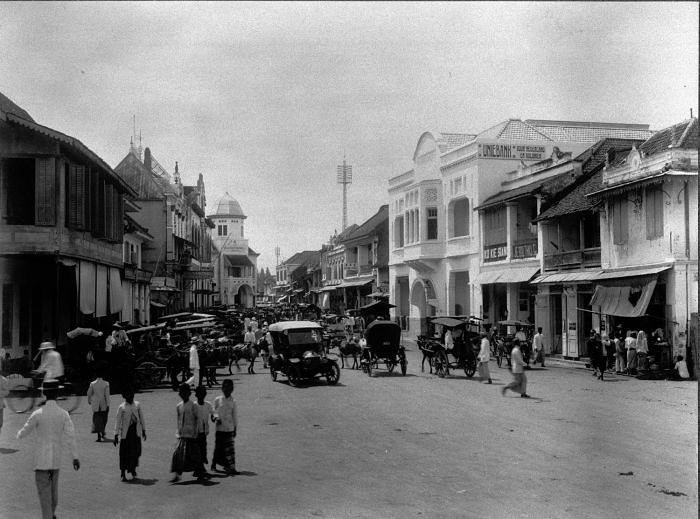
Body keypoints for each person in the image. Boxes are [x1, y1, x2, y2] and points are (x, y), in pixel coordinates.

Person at [16, 379, 80, 519]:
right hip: (55, 460)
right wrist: (75, 457)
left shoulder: (38, 413)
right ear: (57, 393)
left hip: (41, 461)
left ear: (43, 393)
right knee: (53, 491)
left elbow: (25, 430)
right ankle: (51, 514)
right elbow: (71, 436)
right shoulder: (63, 414)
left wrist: (19, 434)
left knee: (44, 492)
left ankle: (48, 516)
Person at [170, 383, 208, 482]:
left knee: (195, 455)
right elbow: (179, 420)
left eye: (184, 393)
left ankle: (200, 473)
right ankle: (177, 475)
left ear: (189, 393)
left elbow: (198, 419)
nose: (182, 395)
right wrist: (178, 432)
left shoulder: (193, 406)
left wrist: (198, 432)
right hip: (182, 434)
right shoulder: (178, 406)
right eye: (180, 393)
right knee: (178, 454)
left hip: (192, 435)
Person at [113, 386, 146, 482]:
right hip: (126, 434)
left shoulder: (137, 405)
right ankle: (123, 473)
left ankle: (133, 469)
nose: (130, 396)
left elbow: (141, 417)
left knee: (136, 452)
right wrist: (116, 435)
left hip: (135, 433)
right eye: (127, 395)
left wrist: (144, 430)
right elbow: (118, 421)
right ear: (124, 396)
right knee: (124, 454)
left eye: (131, 394)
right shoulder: (121, 407)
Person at [212, 379, 238, 476]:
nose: (227, 389)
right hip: (220, 428)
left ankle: (231, 467)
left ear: (232, 389)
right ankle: (214, 465)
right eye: (225, 387)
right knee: (218, 448)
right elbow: (213, 411)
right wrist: (216, 418)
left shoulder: (233, 401)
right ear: (222, 388)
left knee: (230, 449)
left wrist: (235, 428)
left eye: (230, 388)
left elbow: (234, 415)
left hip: (229, 428)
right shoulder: (218, 400)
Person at [86, 366, 110, 442]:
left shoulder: (92, 384)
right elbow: (107, 395)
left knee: (97, 419)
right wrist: (108, 404)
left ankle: (99, 435)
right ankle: (103, 431)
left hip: (96, 404)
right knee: (104, 418)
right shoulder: (106, 384)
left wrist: (89, 400)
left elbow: (89, 393)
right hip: (103, 403)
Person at [194, 385, 213, 468]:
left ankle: (200, 466)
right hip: (195, 432)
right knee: (197, 450)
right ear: (196, 395)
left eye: (204, 393)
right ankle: (200, 467)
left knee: (203, 448)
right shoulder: (193, 405)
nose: (202, 395)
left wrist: (215, 417)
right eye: (200, 393)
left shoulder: (208, 405)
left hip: (204, 431)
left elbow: (213, 413)